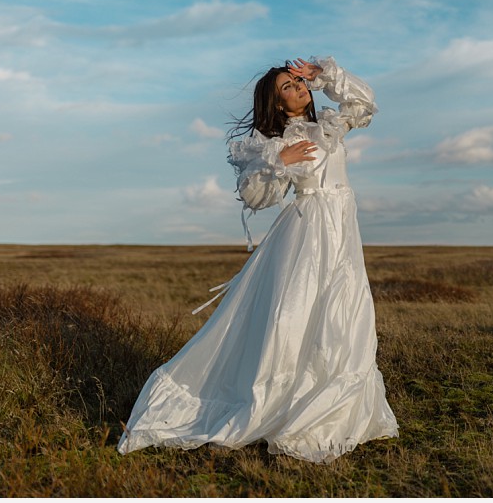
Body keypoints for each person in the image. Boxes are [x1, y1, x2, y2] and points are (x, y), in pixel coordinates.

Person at [118, 56, 399, 463]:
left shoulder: (329, 128)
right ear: (276, 104)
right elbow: (255, 196)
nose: (297, 88)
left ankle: (333, 406)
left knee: (344, 316)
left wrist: (323, 75)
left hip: (343, 231)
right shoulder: (274, 143)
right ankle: (275, 400)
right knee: (293, 317)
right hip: (308, 234)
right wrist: (278, 163)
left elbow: (365, 103)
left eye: (297, 82)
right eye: (287, 87)